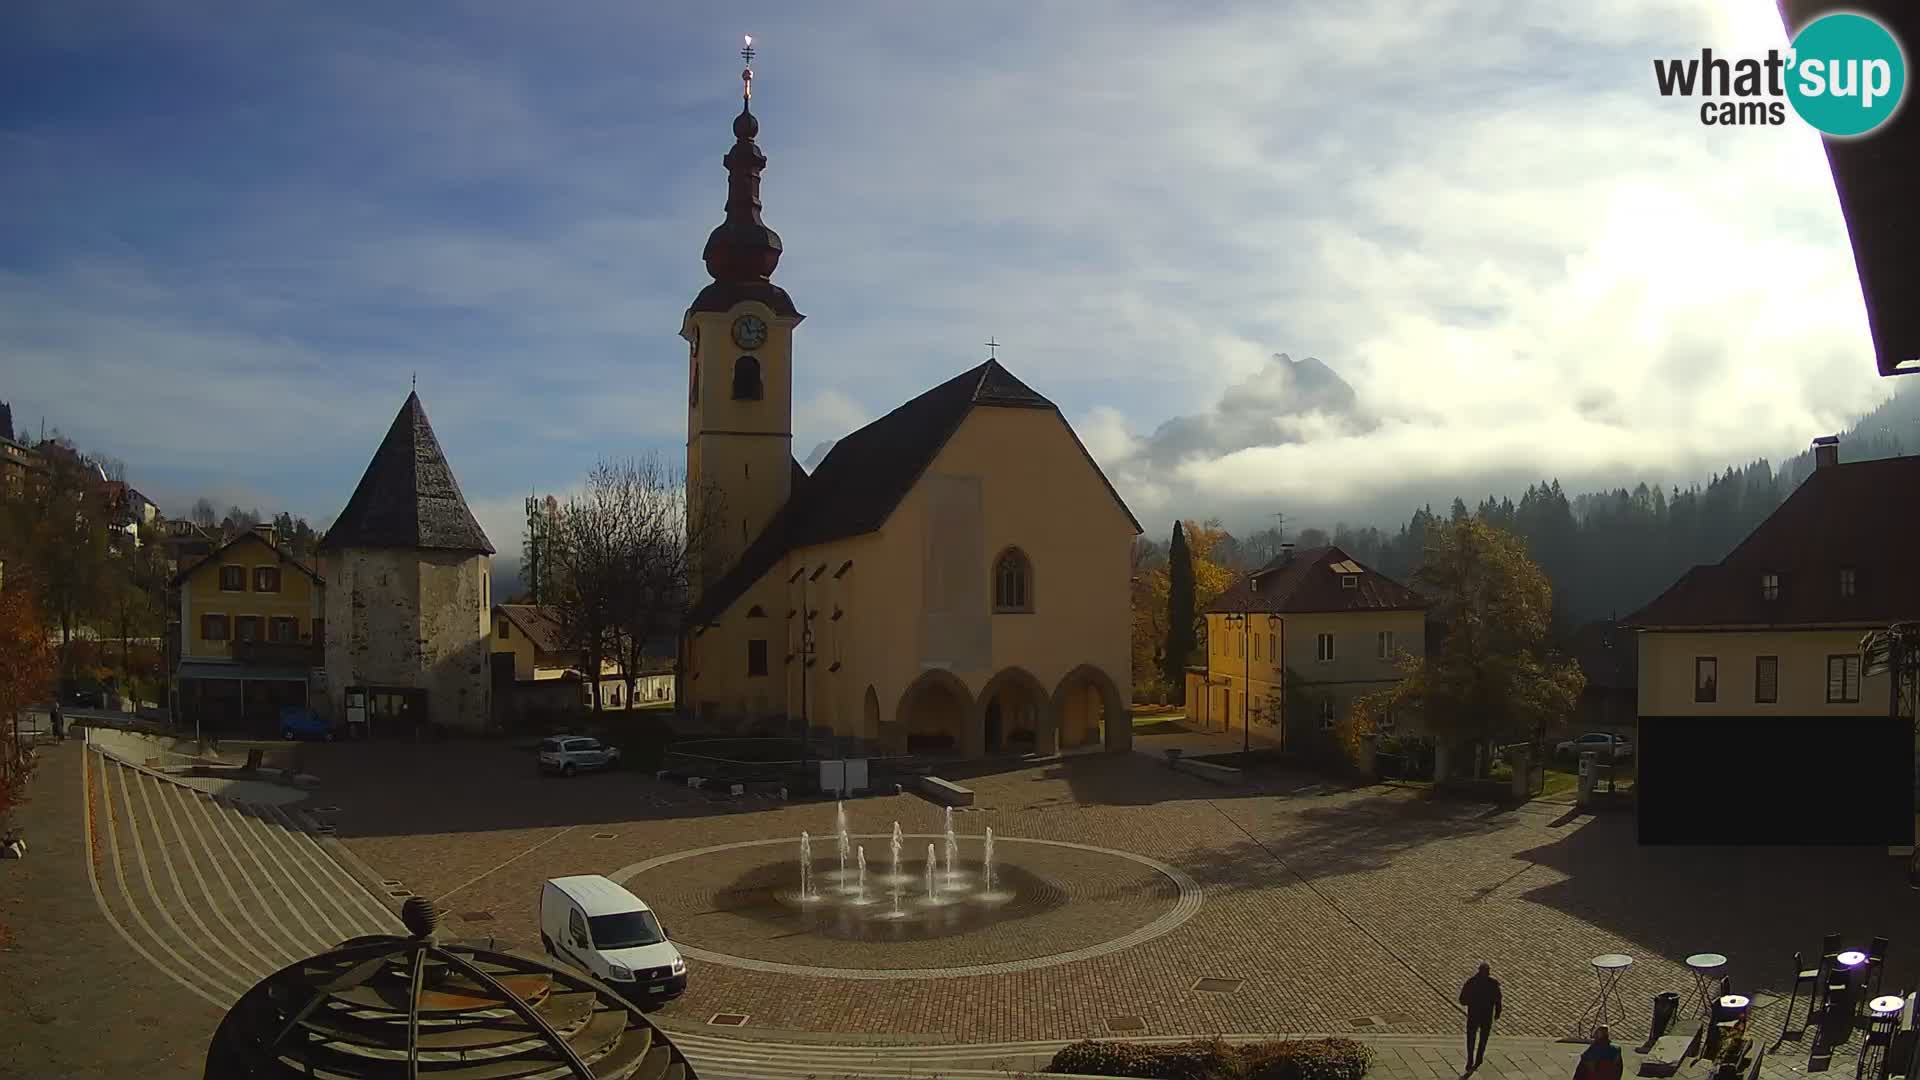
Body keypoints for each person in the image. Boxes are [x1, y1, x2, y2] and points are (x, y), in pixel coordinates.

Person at [1460, 962, 1503, 1070]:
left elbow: (1462, 1000)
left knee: (1471, 1038)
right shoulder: (1493, 984)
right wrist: (1497, 1012)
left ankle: (1470, 1059)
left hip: (1473, 1015)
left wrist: (1470, 1001)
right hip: (1486, 1016)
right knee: (1483, 1038)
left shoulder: (1471, 983)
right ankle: (1479, 1057)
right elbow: (1498, 1000)